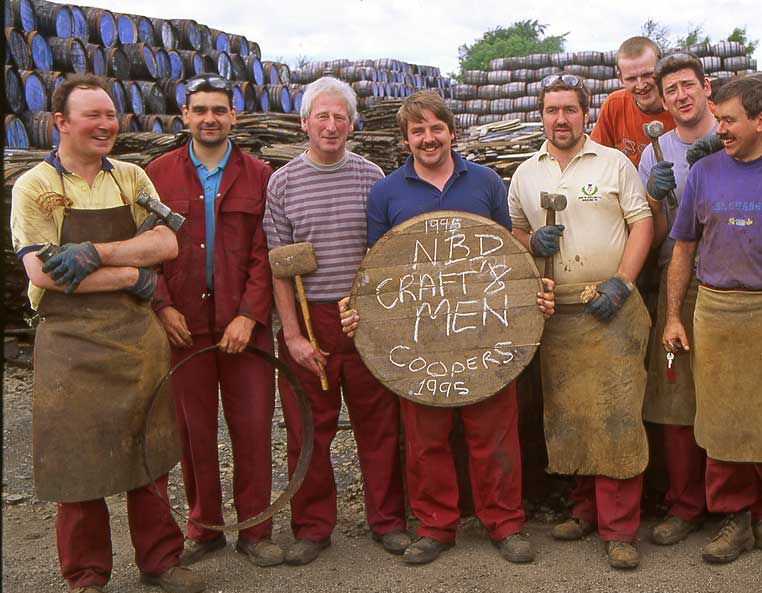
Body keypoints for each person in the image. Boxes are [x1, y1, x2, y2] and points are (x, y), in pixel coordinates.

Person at [10, 74, 205, 593]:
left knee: (149, 450)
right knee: (77, 464)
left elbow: (166, 240)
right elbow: (44, 274)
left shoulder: (133, 178)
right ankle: (86, 576)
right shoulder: (35, 187)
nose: (106, 125)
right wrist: (126, 277)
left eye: (111, 115)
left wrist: (95, 251)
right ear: (60, 123)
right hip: (69, 343)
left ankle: (161, 560)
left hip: (135, 339)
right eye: (92, 116)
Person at [341, 90, 554, 566]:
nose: (428, 138)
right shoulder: (386, 193)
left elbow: (509, 253)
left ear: (452, 132)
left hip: (485, 328)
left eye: (436, 128)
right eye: (417, 131)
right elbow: (379, 268)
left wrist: (531, 293)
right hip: (418, 337)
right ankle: (436, 526)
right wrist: (365, 315)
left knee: (494, 434)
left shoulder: (483, 182)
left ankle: (505, 523)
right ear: (405, 140)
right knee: (425, 440)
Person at [661, 77, 762, 593]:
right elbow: (683, 249)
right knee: (722, 423)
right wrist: (673, 316)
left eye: (729, 119)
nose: (720, 128)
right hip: (716, 313)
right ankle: (735, 519)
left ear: (761, 121)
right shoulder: (704, 173)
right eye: (719, 118)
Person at [507, 74, 654, 570]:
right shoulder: (526, 173)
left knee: (616, 415)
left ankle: (620, 529)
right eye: (552, 110)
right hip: (558, 311)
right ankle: (585, 511)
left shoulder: (614, 163)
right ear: (542, 114)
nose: (561, 118)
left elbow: (642, 223)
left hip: (610, 302)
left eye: (570, 109)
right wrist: (531, 245)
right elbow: (517, 229)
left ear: (585, 115)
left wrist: (622, 282)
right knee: (570, 415)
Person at [263, 77, 408, 566]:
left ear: (352, 123)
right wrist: (294, 335)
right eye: (321, 116)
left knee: (380, 424)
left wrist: (374, 313)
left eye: (339, 117)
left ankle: (387, 521)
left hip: (363, 315)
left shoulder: (372, 177)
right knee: (309, 428)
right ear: (304, 122)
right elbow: (279, 268)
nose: (330, 125)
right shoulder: (282, 183)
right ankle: (312, 526)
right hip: (310, 316)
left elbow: (386, 253)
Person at [146, 73, 281, 567]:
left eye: (219, 110)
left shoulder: (260, 176)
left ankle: (255, 529)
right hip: (184, 326)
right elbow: (145, 251)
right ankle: (204, 528)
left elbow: (265, 253)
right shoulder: (157, 175)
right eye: (199, 109)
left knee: (252, 427)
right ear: (184, 116)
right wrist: (162, 305)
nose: (209, 118)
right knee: (193, 431)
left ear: (234, 117)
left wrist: (249, 315)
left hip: (245, 327)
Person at [592, 36, 762, 168]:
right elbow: (593, 157)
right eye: (631, 79)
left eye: (648, 75)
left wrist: (717, 139)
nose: (640, 85)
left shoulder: (696, 107)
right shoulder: (614, 106)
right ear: (619, 78)